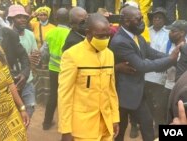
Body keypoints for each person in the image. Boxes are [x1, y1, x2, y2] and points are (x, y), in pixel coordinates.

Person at [109, 6, 180, 141]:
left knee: (147, 125)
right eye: (138, 19)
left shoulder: (137, 36)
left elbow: (152, 53)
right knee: (120, 130)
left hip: (138, 92)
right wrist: (170, 60)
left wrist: (173, 57)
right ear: (126, 21)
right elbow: (141, 65)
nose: (142, 22)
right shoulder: (120, 41)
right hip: (122, 96)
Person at [58, 13, 119, 141]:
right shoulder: (72, 55)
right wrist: (66, 130)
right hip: (83, 128)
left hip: (106, 125)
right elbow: (65, 95)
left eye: (108, 36)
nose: (105, 39)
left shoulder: (109, 54)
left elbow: (111, 91)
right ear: (88, 33)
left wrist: (115, 118)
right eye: (100, 36)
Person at [7, 4, 39, 118]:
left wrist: (35, 57)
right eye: (18, 17)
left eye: (24, 17)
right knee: (13, 114)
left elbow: (34, 55)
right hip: (11, 83)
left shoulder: (30, 34)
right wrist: (26, 60)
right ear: (11, 19)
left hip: (28, 81)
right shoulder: (6, 35)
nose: (23, 19)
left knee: (29, 109)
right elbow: (4, 61)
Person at [42, 7, 70, 130]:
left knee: (53, 95)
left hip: (53, 69)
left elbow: (43, 52)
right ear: (68, 19)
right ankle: (66, 124)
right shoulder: (71, 34)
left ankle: (46, 123)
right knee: (68, 97)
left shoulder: (50, 33)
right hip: (67, 70)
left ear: (56, 18)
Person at [144, 7, 169, 137]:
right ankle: (145, 127)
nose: (156, 20)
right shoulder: (146, 32)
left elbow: (167, 54)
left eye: (159, 17)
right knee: (146, 103)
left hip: (161, 74)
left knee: (159, 105)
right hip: (145, 73)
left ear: (164, 20)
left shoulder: (169, 33)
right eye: (154, 17)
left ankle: (158, 128)